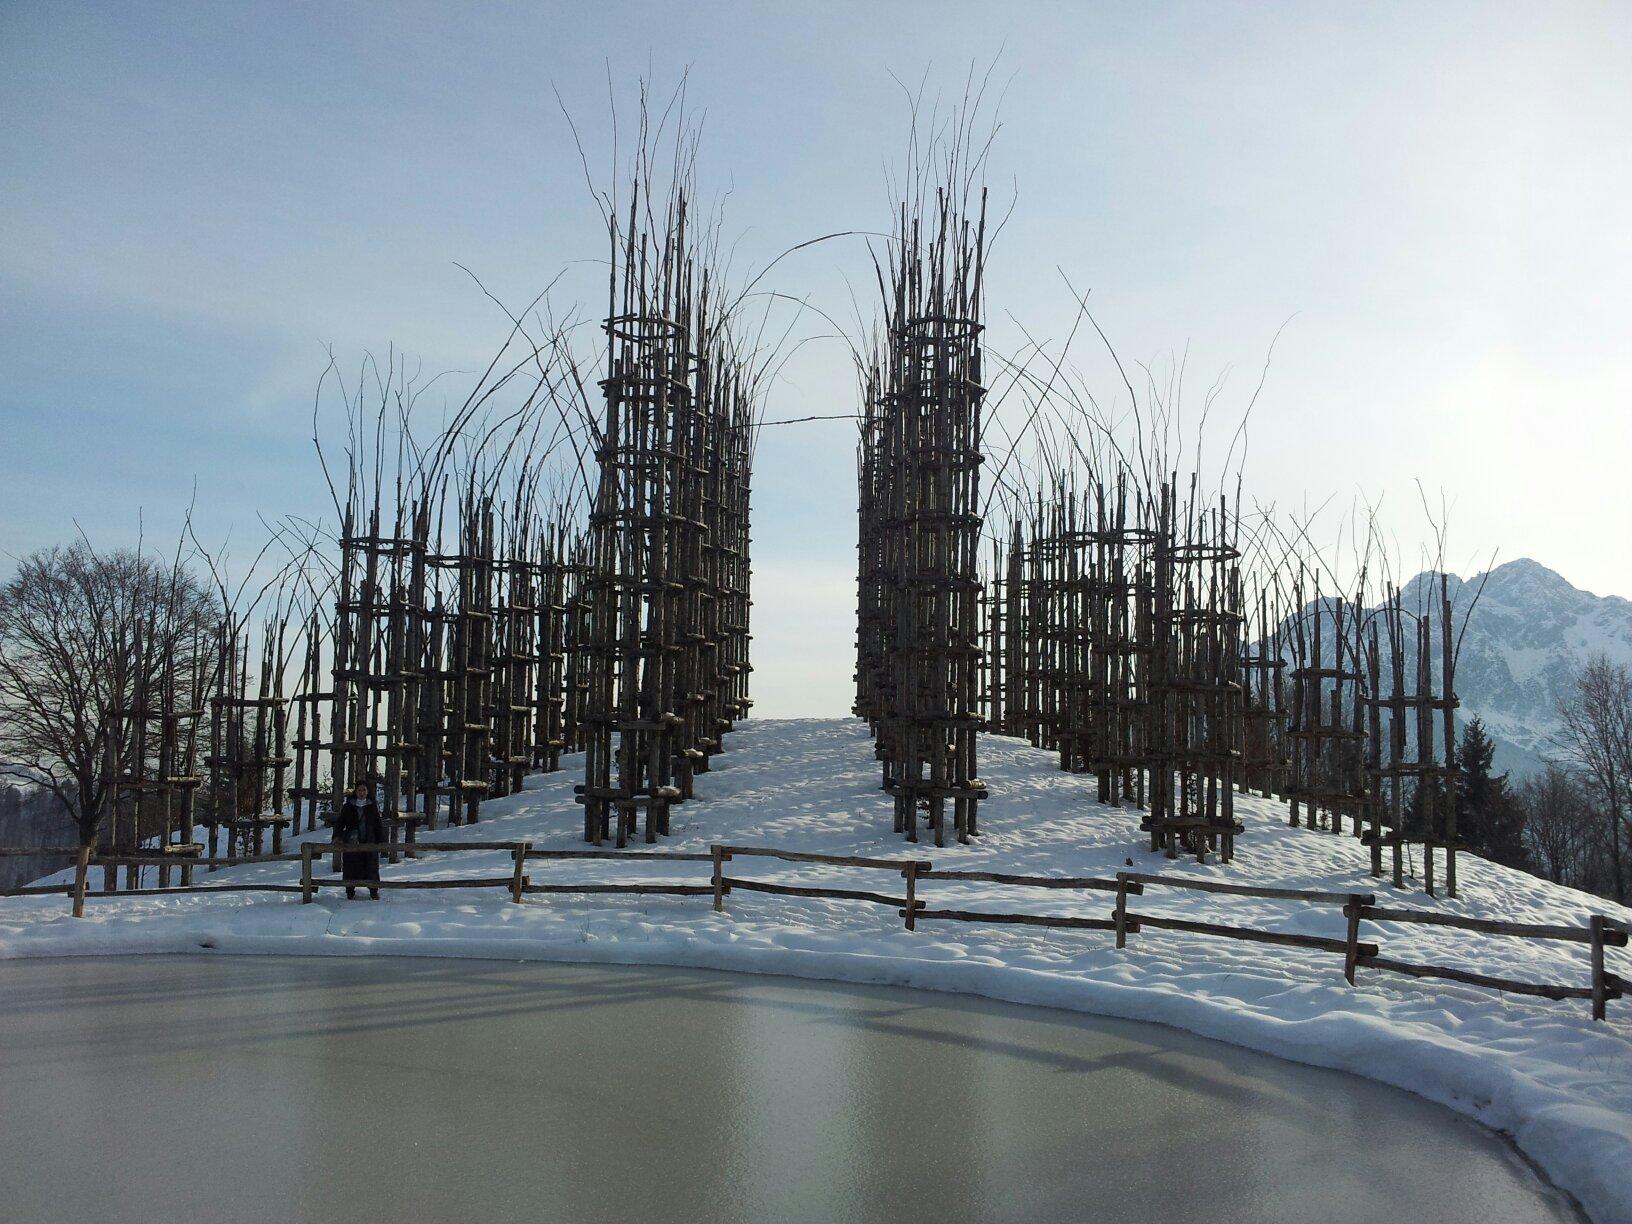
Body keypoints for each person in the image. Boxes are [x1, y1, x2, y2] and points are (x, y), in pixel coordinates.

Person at [334, 781, 385, 900]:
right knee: (351, 867)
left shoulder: (372, 805)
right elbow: (341, 822)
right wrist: (337, 836)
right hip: (352, 840)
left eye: (364, 790)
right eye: (359, 790)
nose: (362, 793)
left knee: (371, 866)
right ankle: (350, 890)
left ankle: (373, 890)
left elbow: (377, 823)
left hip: (369, 840)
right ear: (356, 792)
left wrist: (381, 840)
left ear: (367, 792)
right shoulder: (348, 806)